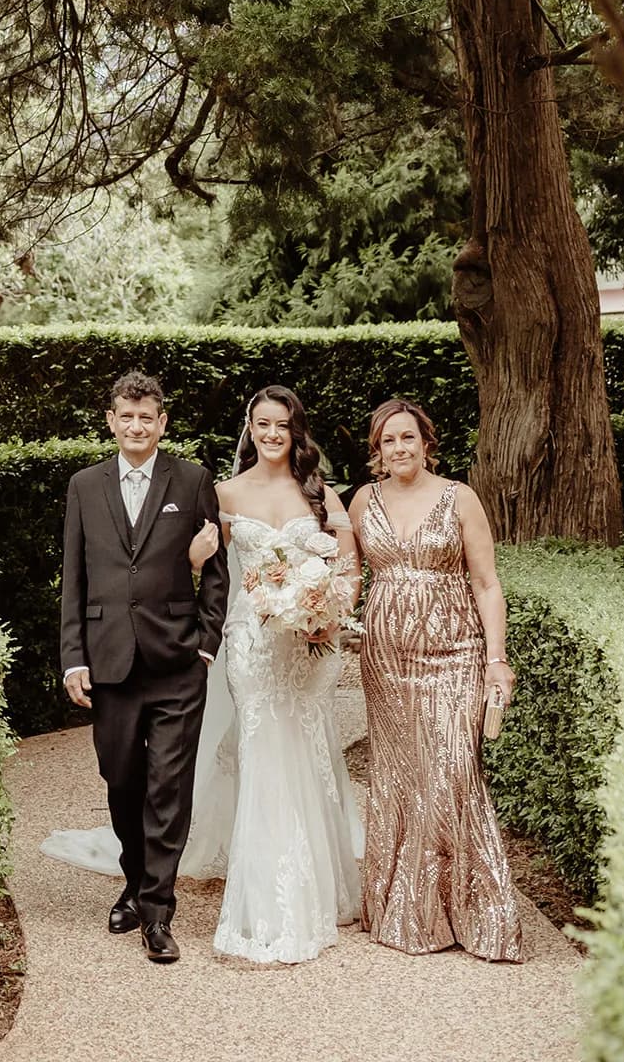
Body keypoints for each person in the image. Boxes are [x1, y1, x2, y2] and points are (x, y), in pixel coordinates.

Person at [59, 369, 229, 964]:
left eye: (146, 417)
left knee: (168, 787)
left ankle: (157, 910)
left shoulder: (193, 479)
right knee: (122, 778)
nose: (136, 426)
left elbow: (215, 572)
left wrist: (205, 644)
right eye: (125, 416)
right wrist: (73, 657)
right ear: (111, 420)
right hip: (109, 661)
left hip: (178, 661)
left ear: (162, 423)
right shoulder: (84, 485)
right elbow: (74, 579)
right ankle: (134, 880)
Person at [348, 398, 524, 962]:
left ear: (427, 442)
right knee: (401, 778)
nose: (399, 449)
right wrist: (316, 614)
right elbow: (350, 576)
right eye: (387, 441)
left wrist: (496, 659)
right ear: (377, 452)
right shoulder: (361, 501)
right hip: (384, 660)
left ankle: (480, 914)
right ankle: (406, 908)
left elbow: (487, 582)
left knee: (453, 773)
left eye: (407, 438)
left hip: (454, 652)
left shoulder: (459, 497)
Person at [195, 384, 364, 964]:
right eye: (262, 423)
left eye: (282, 426)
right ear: (249, 426)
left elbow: (347, 569)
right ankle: (269, 902)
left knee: (309, 746)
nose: (271, 434)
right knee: (263, 747)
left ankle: (323, 881)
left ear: (296, 433)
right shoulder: (222, 493)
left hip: (310, 642)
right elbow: (205, 568)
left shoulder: (321, 494)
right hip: (252, 641)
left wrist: (328, 615)